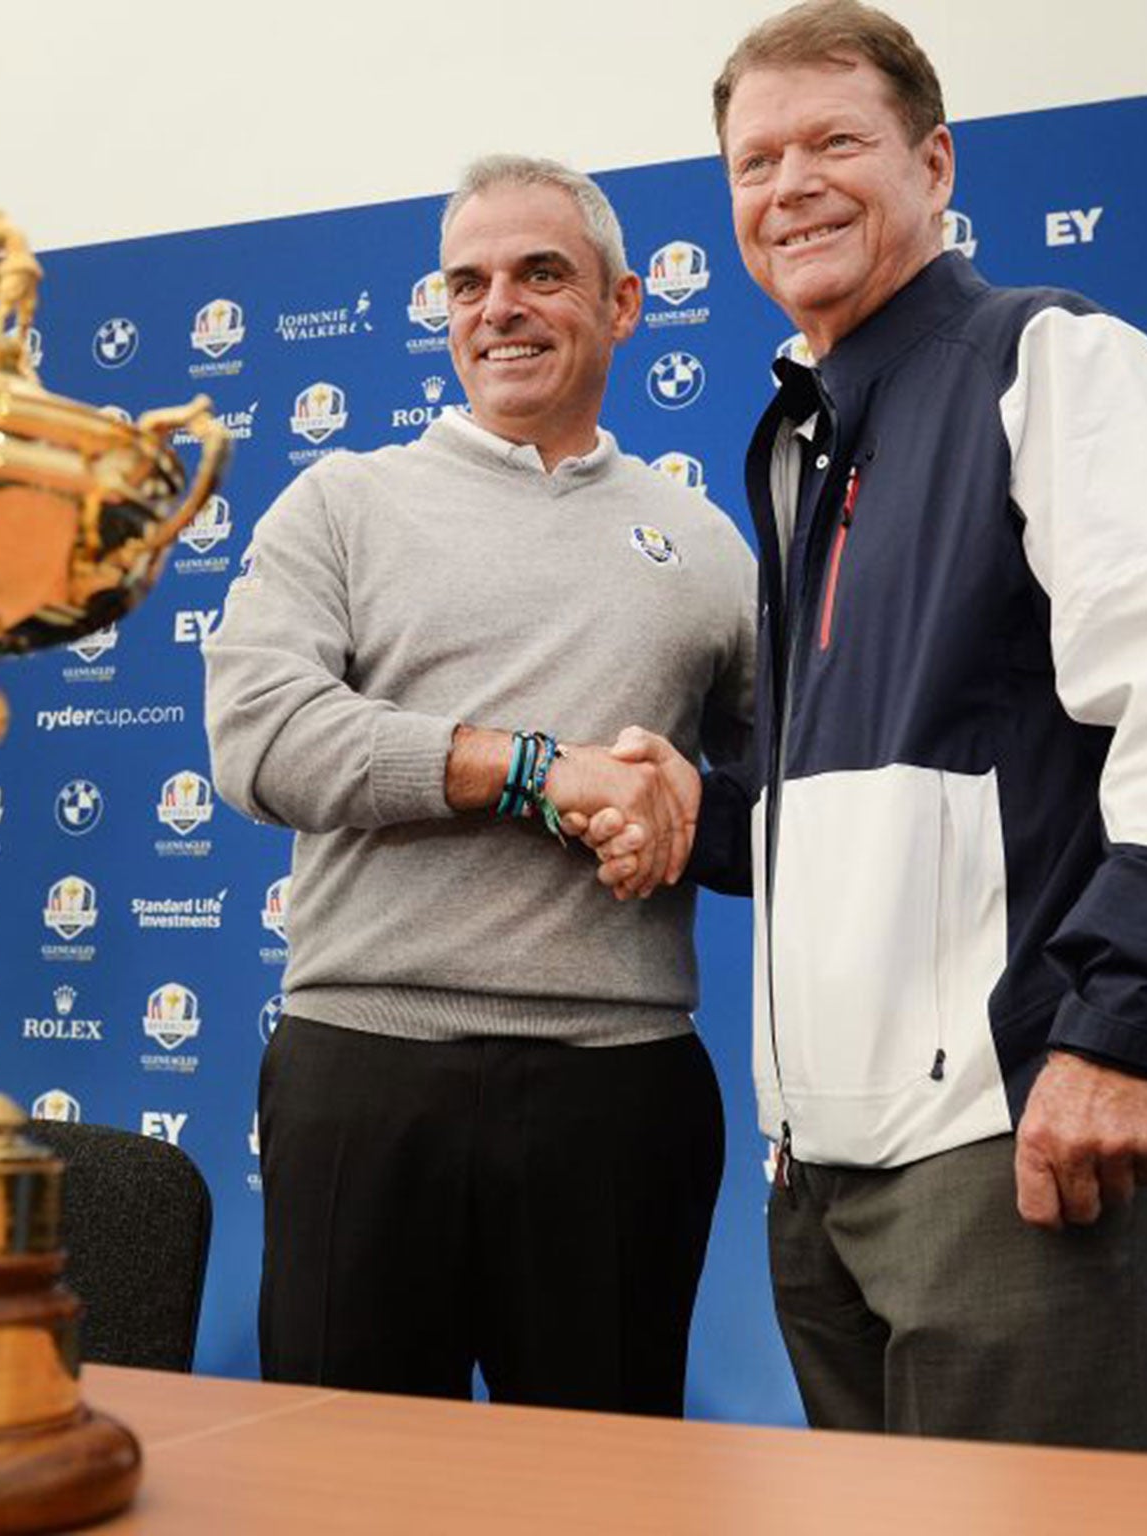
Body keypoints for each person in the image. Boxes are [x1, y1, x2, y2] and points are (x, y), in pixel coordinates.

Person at [586, 0, 1147, 1448]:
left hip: (1013, 1139)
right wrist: (709, 815)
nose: (790, 186)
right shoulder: (804, 436)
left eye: (834, 141)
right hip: (827, 1174)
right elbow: (903, 785)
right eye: (754, 161)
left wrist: (1125, 1037)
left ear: (935, 162)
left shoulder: (1056, 361)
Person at [202, 154, 758, 1415]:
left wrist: (674, 820)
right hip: (363, 1074)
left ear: (622, 305)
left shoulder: (708, 543)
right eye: (467, 282)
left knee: (601, 1496)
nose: (495, 306)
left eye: (539, 274)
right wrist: (528, 773)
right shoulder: (340, 505)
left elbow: (789, 798)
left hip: (618, 1094)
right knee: (336, 1487)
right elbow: (260, 738)